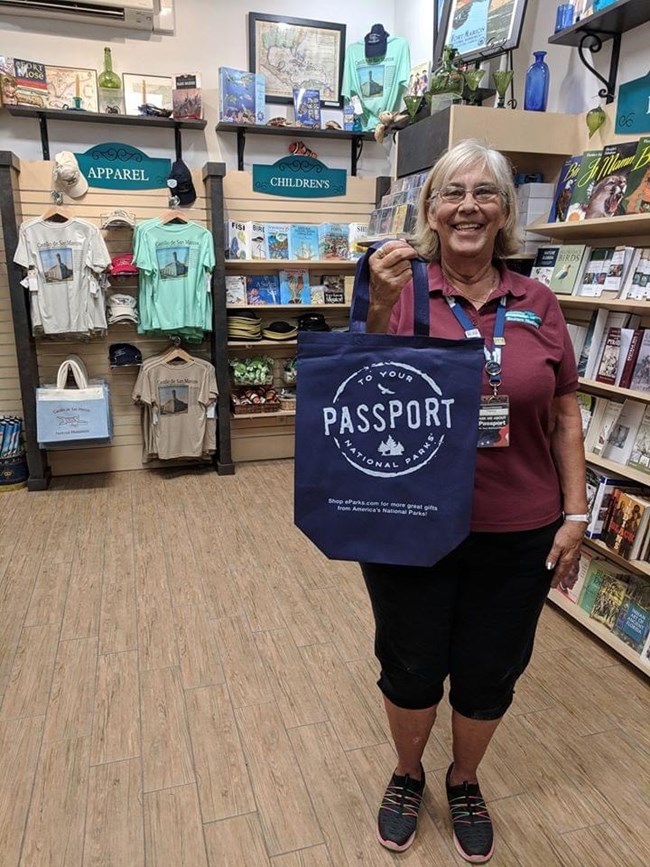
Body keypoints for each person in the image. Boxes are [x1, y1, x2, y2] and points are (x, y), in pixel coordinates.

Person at [363, 139, 588, 863]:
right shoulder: (398, 291)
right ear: (429, 209)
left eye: (484, 192)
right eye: (451, 192)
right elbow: (359, 384)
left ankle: (464, 779)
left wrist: (578, 511)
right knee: (411, 662)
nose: (467, 205)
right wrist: (376, 302)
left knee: (491, 667)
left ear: (504, 211)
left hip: (518, 526)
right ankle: (407, 772)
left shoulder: (539, 301)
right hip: (410, 523)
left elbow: (564, 415)